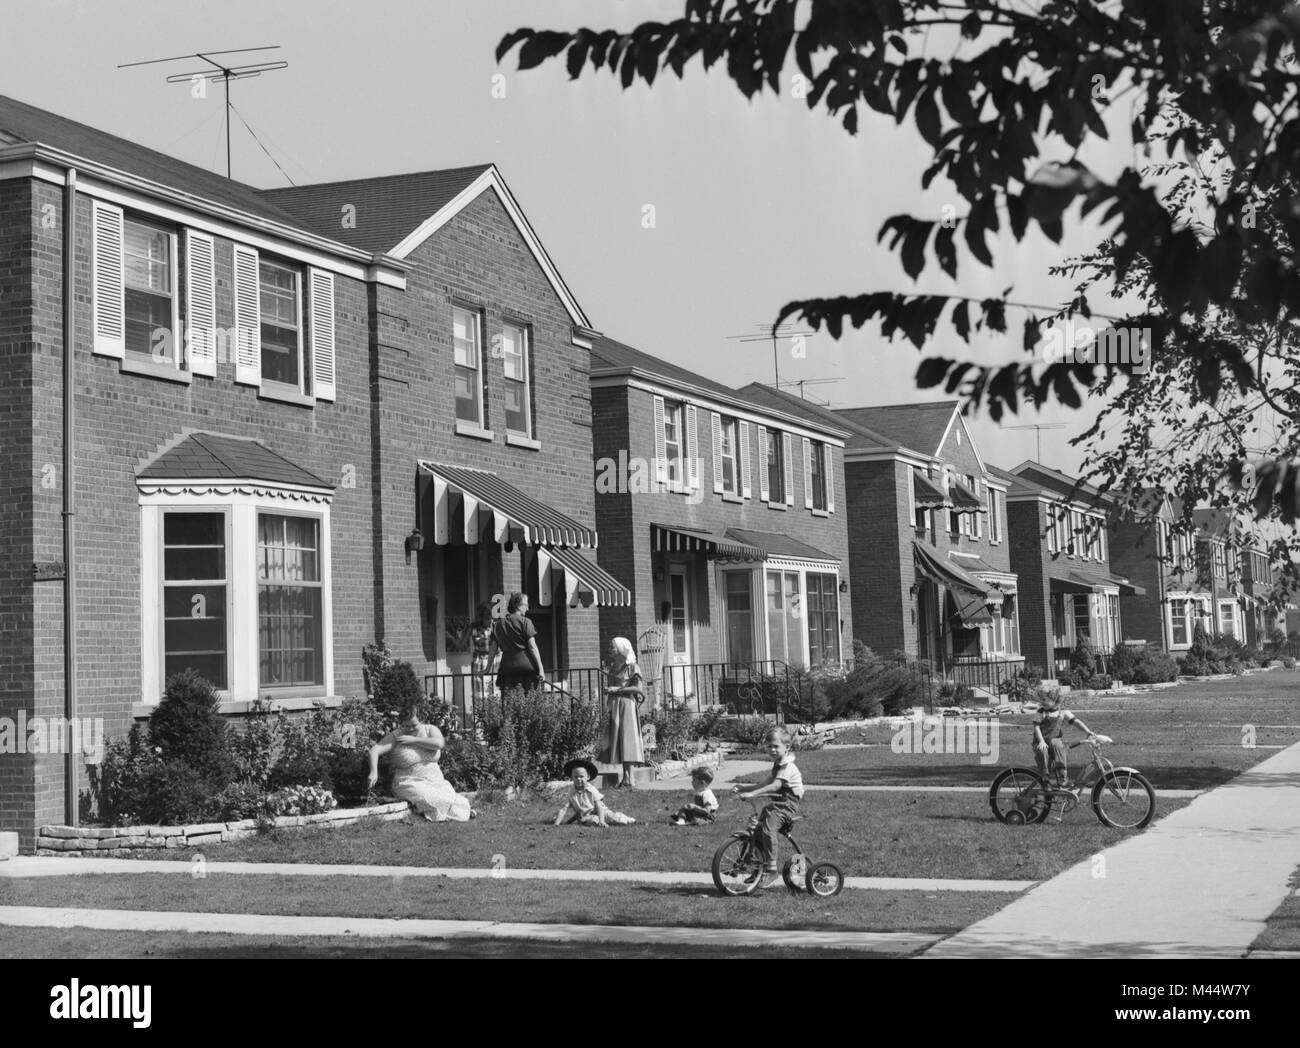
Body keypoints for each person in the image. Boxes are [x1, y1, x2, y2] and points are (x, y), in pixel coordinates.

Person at [367, 709, 476, 822]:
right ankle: (458, 812)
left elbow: (439, 743)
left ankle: (456, 811)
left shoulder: (430, 730)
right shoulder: (397, 736)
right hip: (408, 782)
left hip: (435, 780)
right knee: (426, 796)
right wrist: (373, 771)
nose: (410, 729)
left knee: (447, 797)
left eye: (414, 725)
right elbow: (374, 750)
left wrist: (413, 740)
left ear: (422, 721)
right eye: (406, 725)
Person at [734, 725, 804, 890]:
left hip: (787, 805)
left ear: (786, 747)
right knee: (757, 832)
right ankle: (758, 869)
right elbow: (765, 783)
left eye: (775, 746)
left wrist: (753, 794)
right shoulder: (778, 764)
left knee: (767, 829)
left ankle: (772, 870)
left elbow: (774, 786)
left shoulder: (788, 767)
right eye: (769, 746)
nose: (772, 749)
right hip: (777, 805)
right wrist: (745, 788)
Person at [597, 637, 645, 788]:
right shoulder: (612, 667)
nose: (610, 650)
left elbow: (638, 689)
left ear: (621, 649)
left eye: (612, 647)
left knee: (628, 740)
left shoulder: (632, 667)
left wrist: (617, 689)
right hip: (613, 705)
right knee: (619, 741)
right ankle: (625, 777)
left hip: (626, 705)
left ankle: (631, 779)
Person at [1032, 692, 1097, 789]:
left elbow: (1076, 722)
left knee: (1056, 744)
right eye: (1041, 700)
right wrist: (1041, 741)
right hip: (1040, 741)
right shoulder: (1041, 712)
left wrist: (1087, 731)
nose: (1042, 702)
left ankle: (1063, 775)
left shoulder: (1063, 712)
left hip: (1054, 741)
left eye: (1045, 700)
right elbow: (1036, 728)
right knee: (1043, 752)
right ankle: (1045, 779)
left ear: (1055, 700)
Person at [488, 592, 545, 694]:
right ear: (518, 606)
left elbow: (493, 649)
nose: (527, 608)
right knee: (528, 703)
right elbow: (532, 647)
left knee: (508, 703)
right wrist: (541, 669)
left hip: (507, 668)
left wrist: (487, 668)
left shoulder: (498, 625)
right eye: (526, 605)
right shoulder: (525, 622)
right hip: (526, 668)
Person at [554, 758, 635, 827]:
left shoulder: (592, 790)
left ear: (588, 777)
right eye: (575, 777)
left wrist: (602, 820)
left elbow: (599, 806)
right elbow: (563, 809)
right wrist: (557, 824)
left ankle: (629, 820)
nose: (578, 779)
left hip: (601, 811)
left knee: (613, 817)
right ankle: (599, 823)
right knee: (591, 820)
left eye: (581, 776)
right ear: (572, 777)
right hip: (586, 816)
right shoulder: (571, 793)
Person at [460, 601, 495, 717]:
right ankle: (479, 726)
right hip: (479, 661)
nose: (488, 619)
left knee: (494, 694)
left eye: (490, 616)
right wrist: (451, 637)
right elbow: (462, 644)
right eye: (486, 616)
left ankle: (493, 722)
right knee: (479, 695)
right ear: (481, 616)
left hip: (495, 662)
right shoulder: (474, 627)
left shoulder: (496, 626)